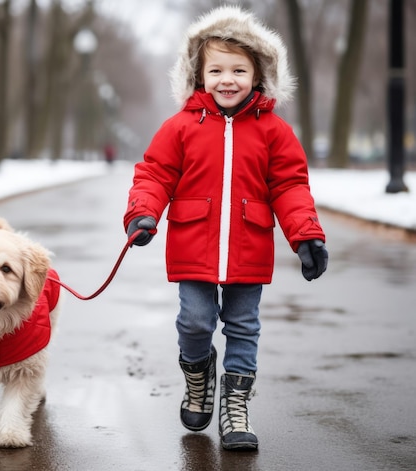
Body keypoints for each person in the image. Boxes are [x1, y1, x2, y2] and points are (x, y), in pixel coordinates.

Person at [123, 5, 328, 451]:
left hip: (248, 248)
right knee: (194, 321)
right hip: (193, 245)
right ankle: (198, 374)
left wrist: (306, 233)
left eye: (239, 69)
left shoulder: (274, 132)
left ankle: (235, 407)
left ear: (259, 75)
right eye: (216, 69)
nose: (227, 79)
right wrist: (144, 212)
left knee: (243, 326)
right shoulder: (180, 128)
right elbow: (154, 174)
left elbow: (290, 186)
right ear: (199, 76)